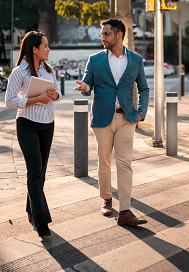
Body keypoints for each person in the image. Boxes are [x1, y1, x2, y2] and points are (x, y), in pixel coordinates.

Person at [74, 18, 149, 227]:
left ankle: (125, 211)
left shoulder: (135, 60)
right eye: (102, 34)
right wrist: (85, 88)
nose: (102, 38)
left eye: (106, 34)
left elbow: (143, 88)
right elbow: (88, 83)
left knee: (125, 164)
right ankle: (106, 198)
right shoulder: (95, 60)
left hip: (126, 118)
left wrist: (141, 113)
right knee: (104, 162)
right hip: (102, 118)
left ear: (119, 35)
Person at [5, 31, 61, 238]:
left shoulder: (49, 70)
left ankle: (31, 209)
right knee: (35, 171)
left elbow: (56, 93)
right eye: (45, 46)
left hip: (48, 124)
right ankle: (42, 221)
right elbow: (9, 100)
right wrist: (35, 99)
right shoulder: (19, 72)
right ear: (34, 49)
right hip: (27, 124)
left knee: (41, 172)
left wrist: (54, 95)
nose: (48, 49)